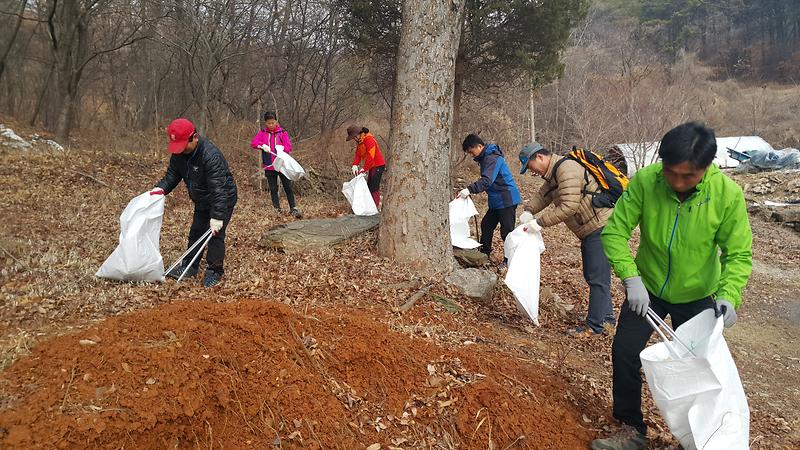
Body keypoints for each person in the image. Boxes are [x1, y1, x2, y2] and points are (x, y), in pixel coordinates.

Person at [591, 122, 753, 450]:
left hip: (696, 296)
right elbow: (614, 232)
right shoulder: (647, 182)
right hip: (647, 289)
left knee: (697, 370)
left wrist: (728, 295)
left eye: (688, 176)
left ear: (706, 168)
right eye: (671, 173)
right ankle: (630, 427)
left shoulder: (726, 195)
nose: (678, 182)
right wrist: (630, 277)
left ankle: (695, 438)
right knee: (624, 351)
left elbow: (738, 254)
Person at [517, 142, 616, 337]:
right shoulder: (555, 172)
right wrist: (529, 211)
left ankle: (595, 326)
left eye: (530, 167)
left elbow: (570, 206)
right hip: (591, 229)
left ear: (540, 158)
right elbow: (543, 196)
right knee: (596, 276)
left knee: (597, 277)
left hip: (600, 227)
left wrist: (540, 222)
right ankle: (606, 319)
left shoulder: (566, 169)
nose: (532, 172)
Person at [150, 118, 238, 288]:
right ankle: (189, 266)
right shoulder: (179, 155)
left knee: (215, 235)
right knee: (196, 231)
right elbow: (172, 175)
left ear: (195, 137)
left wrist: (217, 216)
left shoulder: (210, 156)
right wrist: (160, 189)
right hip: (201, 199)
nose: (181, 150)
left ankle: (215, 270)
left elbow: (219, 189)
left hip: (222, 198)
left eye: (184, 145)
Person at [458, 134, 521, 261]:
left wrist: (469, 189)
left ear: (480, 146)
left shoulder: (492, 158)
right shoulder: (485, 158)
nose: (471, 155)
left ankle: (511, 260)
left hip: (506, 199)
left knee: (507, 233)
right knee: (486, 225)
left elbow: (487, 181)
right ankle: (484, 254)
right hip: (497, 201)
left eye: (471, 152)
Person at [251, 111, 301, 218]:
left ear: (276, 121)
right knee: (273, 188)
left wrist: (282, 149)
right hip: (269, 165)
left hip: (281, 165)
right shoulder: (263, 132)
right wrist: (262, 145)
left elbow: (288, 146)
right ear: (265, 123)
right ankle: (277, 209)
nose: (271, 125)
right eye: (269, 123)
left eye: (273, 123)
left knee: (287, 186)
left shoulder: (282, 132)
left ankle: (293, 208)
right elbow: (254, 143)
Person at [347, 125, 386, 210]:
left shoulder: (369, 139)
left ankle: (375, 208)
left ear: (358, 134)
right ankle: (371, 207)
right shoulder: (360, 141)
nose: (354, 139)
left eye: (354, 137)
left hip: (378, 165)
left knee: (374, 187)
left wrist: (364, 169)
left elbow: (370, 156)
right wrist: (355, 164)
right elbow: (358, 154)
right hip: (372, 165)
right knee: (370, 187)